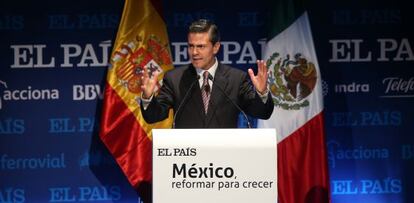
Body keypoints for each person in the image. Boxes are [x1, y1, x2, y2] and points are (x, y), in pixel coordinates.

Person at [140, 19, 274, 128]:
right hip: (187, 156)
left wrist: (262, 93)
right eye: (191, 46)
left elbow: (261, 113)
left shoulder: (236, 78)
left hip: (225, 156)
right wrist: (148, 97)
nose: (194, 52)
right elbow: (154, 116)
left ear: (216, 47)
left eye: (201, 46)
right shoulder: (175, 78)